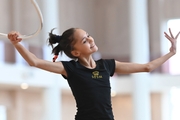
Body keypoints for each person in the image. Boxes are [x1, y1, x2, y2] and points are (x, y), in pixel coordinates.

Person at [8, 28, 179, 120]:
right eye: (84, 40)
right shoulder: (70, 69)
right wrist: (17, 44)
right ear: (75, 52)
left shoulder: (107, 65)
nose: (90, 40)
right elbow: (34, 61)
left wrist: (171, 53)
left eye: (88, 36)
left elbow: (147, 67)